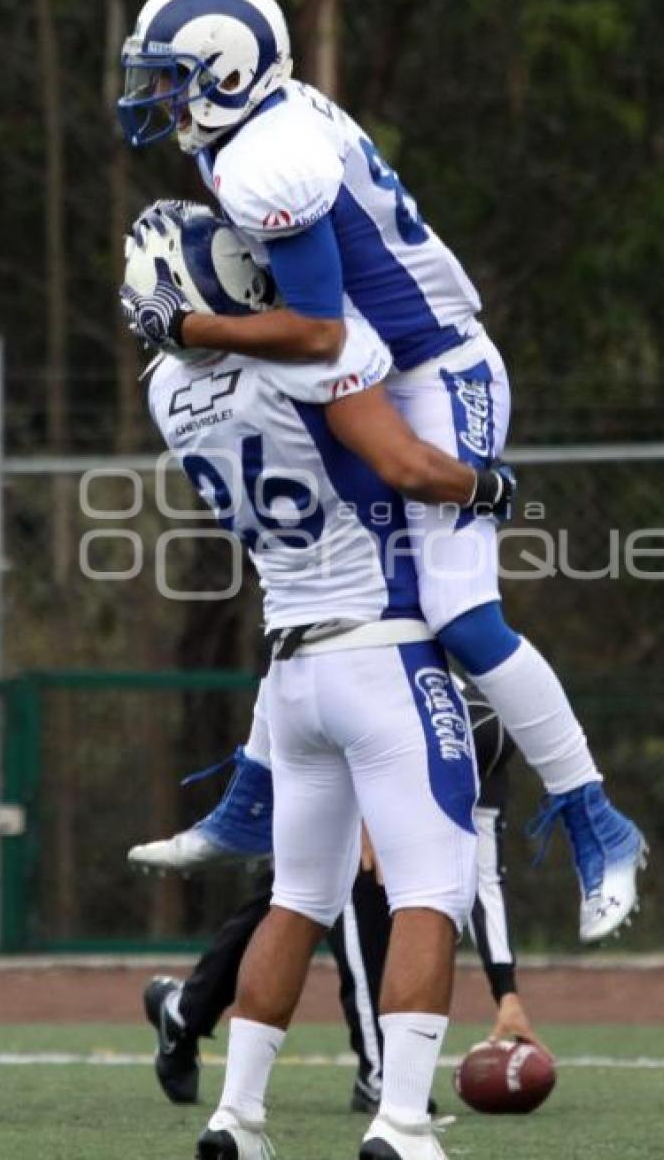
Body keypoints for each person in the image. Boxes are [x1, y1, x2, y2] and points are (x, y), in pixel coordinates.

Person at [118, 0, 647, 944]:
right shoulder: (252, 130)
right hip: (376, 359)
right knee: (320, 578)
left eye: (172, 79)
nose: (158, 99)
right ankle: (250, 796)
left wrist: (186, 321)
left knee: (457, 613)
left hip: (435, 367)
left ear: (226, 76)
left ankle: (593, 816)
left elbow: (317, 332)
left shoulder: (262, 159)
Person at [137, 279, 521, 1158]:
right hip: (380, 649)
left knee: (296, 898)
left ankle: (237, 1116)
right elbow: (409, 465)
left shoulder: (166, 386)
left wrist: (201, 319)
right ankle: (404, 1120)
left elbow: (241, 339)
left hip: (291, 665)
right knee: (434, 888)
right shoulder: (311, 358)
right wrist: (491, 486)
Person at [131, 686, 548, 1112]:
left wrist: (507, 995)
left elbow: (485, 877)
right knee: (347, 876)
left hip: (360, 759)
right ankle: (380, 1071)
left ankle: (183, 1012)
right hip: (321, 747)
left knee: (289, 901)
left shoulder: (486, 749)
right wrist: (364, 816)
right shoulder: (397, 703)